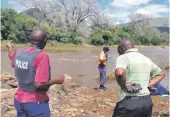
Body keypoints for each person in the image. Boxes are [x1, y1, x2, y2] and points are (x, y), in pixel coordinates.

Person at [6, 29, 65, 117]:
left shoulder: (19, 52)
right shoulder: (42, 56)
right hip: (35, 102)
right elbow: (38, 84)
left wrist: (10, 48)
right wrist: (55, 81)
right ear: (45, 40)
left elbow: (12, 58)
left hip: (19, 100)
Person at [113, 39, 165, 117]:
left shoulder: (123, 57)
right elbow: (161, 74)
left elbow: (120, 73)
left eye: (118, 50)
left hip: (129, 102)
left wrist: (124, 87)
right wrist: (147, 85)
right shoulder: (145, 58)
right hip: (147, 102)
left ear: (122, 49)